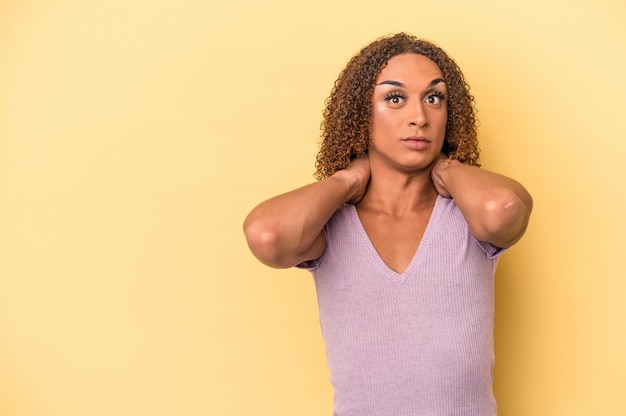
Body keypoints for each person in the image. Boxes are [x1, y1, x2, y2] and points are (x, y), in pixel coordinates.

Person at [243, 32, 533, 416]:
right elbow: (267, 236)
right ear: (360, 115)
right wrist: (347, 179)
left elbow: (504, 208)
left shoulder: (468, 216)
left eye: (434, 98)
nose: (419, 117)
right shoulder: (331, 227)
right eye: (394, 98)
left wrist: (447, 166)